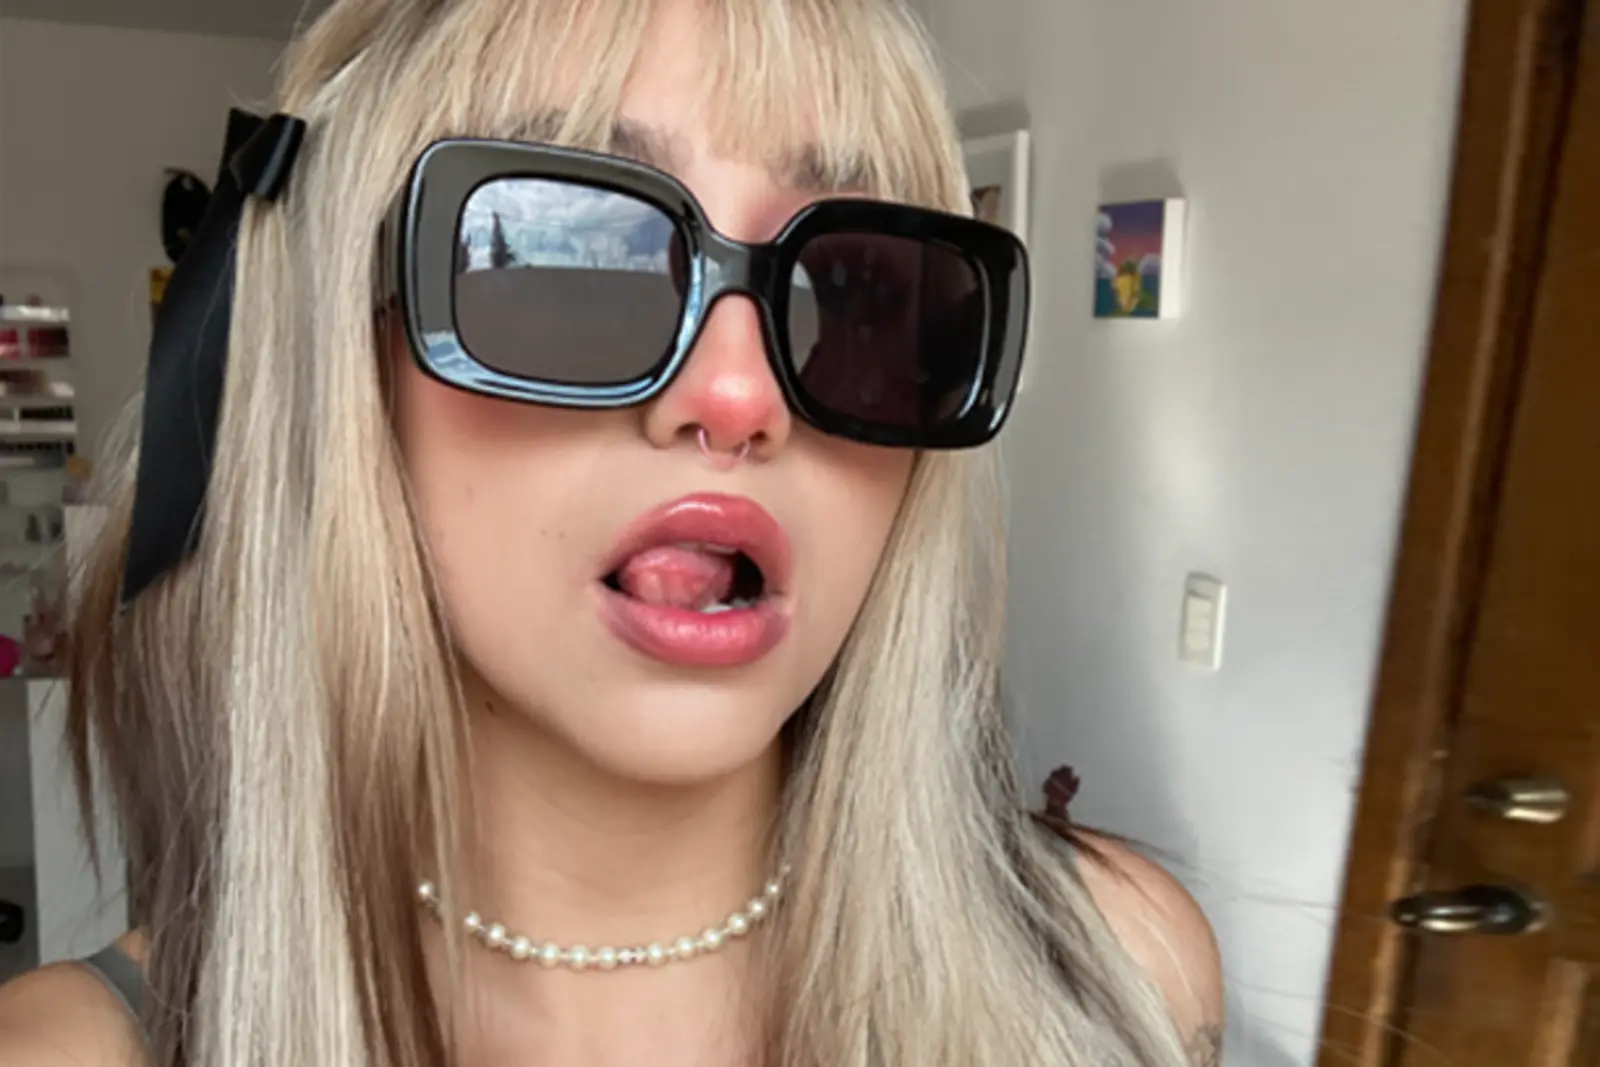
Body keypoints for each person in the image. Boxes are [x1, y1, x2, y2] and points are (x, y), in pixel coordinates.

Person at [0, 1, 1222, 1064]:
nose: (737, 394)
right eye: (569, 259)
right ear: (344, 349)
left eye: (854, 291)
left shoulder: (1124, 968)